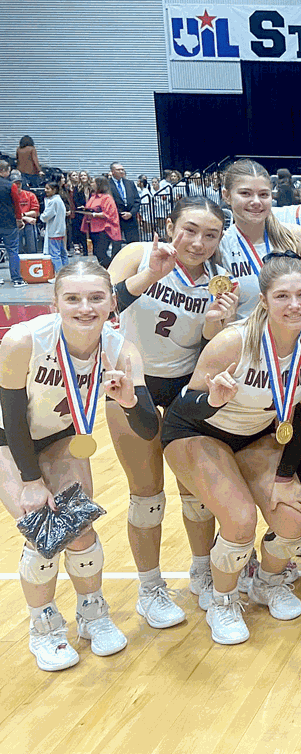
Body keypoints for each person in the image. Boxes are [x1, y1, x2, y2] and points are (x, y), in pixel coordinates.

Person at [161, 253, 301, 644]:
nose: (294, 305)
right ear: (264, 300)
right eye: (282, 296)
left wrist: (285, 477)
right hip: (196, 431)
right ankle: (223, 602)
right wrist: (214, 400)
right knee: (240, 520)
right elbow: (187, 402)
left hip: (253, 436)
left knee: (293, 520)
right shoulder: (233, 341)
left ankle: (267, 582)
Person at [1, 260, 158, 670]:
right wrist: (31, 481)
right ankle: (45, 626)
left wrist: (129, 401)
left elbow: (146, 427)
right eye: (72, 298)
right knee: (43, 530)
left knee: (80, 526)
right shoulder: (23, 340)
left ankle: (92, 613)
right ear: (55, 303)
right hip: (6, 437)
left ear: (112, 304)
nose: (85, 307)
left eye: (96, 297)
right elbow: (13, 416)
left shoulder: (120, 350)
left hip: (60, 436)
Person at [107, 198, 238, 623]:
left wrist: (219, 321)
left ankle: (202, 573)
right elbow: (99, 310)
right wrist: (149, 275)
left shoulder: (220, 280)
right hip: (133, 381)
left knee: (195, 493)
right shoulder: (137, 254)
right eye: (191, 230)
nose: (199, 242)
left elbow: (207, 344)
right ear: (169, 225)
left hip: (185, 384)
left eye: (211, 234)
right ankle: (150, 589)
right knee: (147, 497)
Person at [219, 158, 301, 319]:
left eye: (263, 194)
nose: (256, 202)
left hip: (294, 336)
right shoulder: (220, 247)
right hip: (246, 340)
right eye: (245, 193)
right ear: (226, 196)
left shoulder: (295, 237)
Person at [83, 177, 121, 268]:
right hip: (93, 227)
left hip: (104, 229)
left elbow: (109, 214)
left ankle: (112, 268)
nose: (91, 184)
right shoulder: (92, 196)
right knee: (96, 252)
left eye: (93, 182)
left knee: (100, 252)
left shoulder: (107, 198)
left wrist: (94, 215)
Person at [39, 179, 69, 273]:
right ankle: (67, 272)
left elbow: (46, 216)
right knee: (63, 253)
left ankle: (59, 274)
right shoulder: (59, 200)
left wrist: (40, 216)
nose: (45, 190)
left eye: (48, 188)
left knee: (55, 254)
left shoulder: (53, 201)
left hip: (54, 232)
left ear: (54, 190)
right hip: (60, 230)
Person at [109, 163, 141, 243]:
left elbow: (137, 200)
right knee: (116, 244)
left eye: (122, 169)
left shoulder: (130, 183)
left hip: (130, 217)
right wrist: (120, 213)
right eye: (118, 169)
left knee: (134, 243)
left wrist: (131, 213)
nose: (121, 171)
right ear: (112, 171)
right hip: (116, 217)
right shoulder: (107, 184)